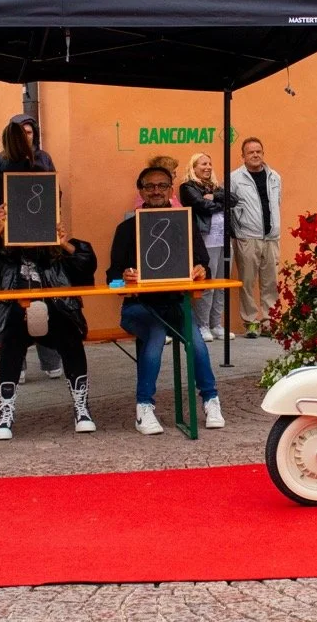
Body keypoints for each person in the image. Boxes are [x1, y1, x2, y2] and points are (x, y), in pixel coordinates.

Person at [0, 122, 99, 441]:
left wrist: (65, 244)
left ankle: (82, 407)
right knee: (13, 333)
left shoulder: (52, 235)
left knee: (69, 332)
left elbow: (87, 268)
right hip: (11, 302)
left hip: (54, 300)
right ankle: (5, 413)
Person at [108, 164, 224, 435]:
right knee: (156, 332)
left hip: (176, 305)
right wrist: (124, 276)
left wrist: (200, 271)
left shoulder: (185, 225)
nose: (156, 191)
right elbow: (111, 275)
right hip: (138, 307)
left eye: (162, 186)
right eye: (149, 186)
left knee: (197, 343)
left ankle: (211, 400)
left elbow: (204, 264)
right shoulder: (126, 229)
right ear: (141, 192)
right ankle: (144, 408)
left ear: (171, 190)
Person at [0, 114, 64, 380]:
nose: (26, 137)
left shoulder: (43, 159)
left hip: (40, 241)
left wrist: (51, 221)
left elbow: (54, 193)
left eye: (30, 132)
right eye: (22, 133)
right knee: (12, 303)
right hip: (9, 246)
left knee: (44, 298)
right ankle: (17, 364)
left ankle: (50, 359)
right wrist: (1, 222)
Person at [229, 137, 282, 338]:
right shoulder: (234, 179)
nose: (255, 155)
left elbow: (277, 203)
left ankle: (270, 321)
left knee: (271, 282)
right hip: (247, 237)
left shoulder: (274, 177)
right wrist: (239, 230)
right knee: (247, 281)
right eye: (250, 152)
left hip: (271, 237)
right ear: (243, 156)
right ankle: (251, 322)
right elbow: (229, 208)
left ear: (263, 153)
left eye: (258, 151)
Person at [179, 152, 235, 342]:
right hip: (206, 241)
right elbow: (202, 205)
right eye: (203, 164)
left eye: (210, 163)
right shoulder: (187, 187)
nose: (208, 167)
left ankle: (216, 324)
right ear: (193, 167)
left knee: (221, 285)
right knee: (207, 285)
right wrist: (220, 203)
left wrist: (215, 196)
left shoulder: (215, 187)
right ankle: (202, 325)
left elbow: (234, 199)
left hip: (224, 240)